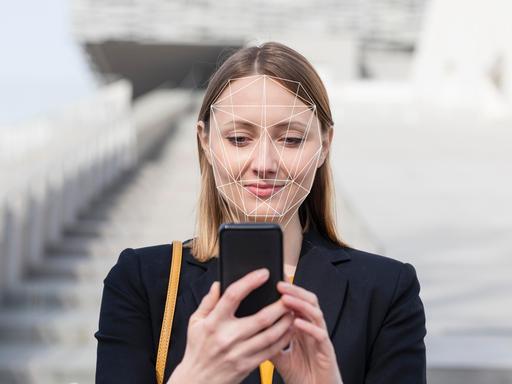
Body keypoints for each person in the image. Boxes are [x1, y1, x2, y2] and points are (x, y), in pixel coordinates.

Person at [95, 42, 427, 384]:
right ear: (205, 141)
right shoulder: (141, 281)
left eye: (292, 139)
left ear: (325, 144)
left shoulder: (386, 291)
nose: (265, 164)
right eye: (239, 138)